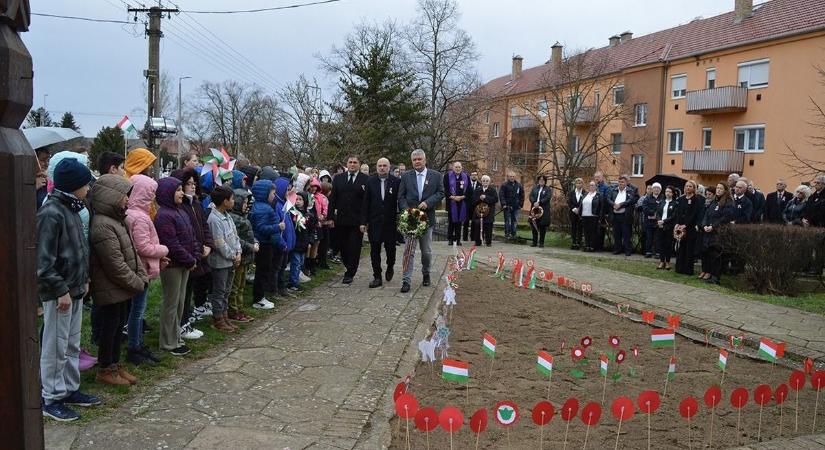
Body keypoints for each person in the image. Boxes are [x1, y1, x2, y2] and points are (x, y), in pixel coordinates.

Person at [38, 158, 100, 421]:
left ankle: (70, 388)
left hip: (75, 288)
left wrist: (84, 280)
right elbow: (43, 262)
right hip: (58, 293)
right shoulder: (51, 213)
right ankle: (50, 397)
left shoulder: (73, 209)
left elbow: (79, 251)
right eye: (85, 184)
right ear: (73, 185)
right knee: (55, 345)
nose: (88, 188)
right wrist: (60, 289)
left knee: (72, 343)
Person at [88, 174, 148, 386]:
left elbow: (131, 253)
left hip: (122, 288)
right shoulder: (102, 225)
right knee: (110, 328)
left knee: (118, 326)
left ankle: (114, 363)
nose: (127, 200)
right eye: (124, 196)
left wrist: (141, 274)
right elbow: (115, 265)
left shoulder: (116, 220)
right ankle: (105, 367)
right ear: (111, 196)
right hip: (110, 288)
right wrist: (137, 282)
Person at [125, 173, 168, 366]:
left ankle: (137, 344)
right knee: (137, 311)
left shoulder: (131, 213)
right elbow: (143, 247)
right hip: (140, 269)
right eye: (151, 193)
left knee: (136, 310)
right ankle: (135, 346)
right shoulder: (139, 217)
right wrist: (163, 250)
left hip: (138, 267)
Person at [154, 177, 198, 356]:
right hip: (173, 265)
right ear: (167, 193)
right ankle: (167, 342)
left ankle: (176, 336)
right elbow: (171, 244)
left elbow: (191, 235)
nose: (182, 193)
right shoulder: (164, 215)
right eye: (178, 190)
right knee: (171, 303)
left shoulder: (180, 211)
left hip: (185, 264)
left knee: (180, 303)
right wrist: (189, 259)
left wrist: (193, 256)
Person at [171, 169, 212, 339]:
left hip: (199, 252)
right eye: (188, 184)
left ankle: (186, 320)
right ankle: (182, 323)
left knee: (190, 289)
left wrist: (208, 244)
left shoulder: (196, 203)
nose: (192, 187)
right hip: (188, 254)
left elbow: (203, 226)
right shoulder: (180, 207)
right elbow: (186, 233)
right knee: (183, 293)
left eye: (194, 183)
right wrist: (196, 249)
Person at [398, 149, 445, 293]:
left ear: (425, 160)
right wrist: (408, 211)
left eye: (419, 159)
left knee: (426, 251)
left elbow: (441, 193)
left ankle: (426, 273)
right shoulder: (406, 176)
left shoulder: (436, 176)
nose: (417, 162)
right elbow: (401, 197)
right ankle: (406, 280)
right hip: (411, 220)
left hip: (426, 220)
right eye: (414, 160)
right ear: (411, 161)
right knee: (408, 251)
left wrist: (428, 202)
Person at [206, 186, 243, 332]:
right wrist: (233, 256)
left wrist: (238, 251)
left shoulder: (227, 216)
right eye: (232, 199)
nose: (234, 201)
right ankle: (218, 318)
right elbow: (219, 243)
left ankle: (225, 315)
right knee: (219, 291)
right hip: (221, 262)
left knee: (227, 290)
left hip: (231, 260)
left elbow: (235, 236)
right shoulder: (214, 219)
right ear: (224, 201)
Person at [328, 155, 369, 284]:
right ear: (347, 164)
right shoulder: (339, 179)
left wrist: (365, 221)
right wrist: (330, 217)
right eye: (350, 162)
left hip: (357, 221)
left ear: (359, 164)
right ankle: (347, 265)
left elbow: (367, 202)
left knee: (354, 247)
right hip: (341, 219)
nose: (352, 164)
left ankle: (350, 272)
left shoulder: (366, 179)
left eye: (355, 162)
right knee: (343, 246)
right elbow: (332, 199)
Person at [362, 157, 400, 288]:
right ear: (376, 167)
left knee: (390, 249)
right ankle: (377, 276)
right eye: (380, 165)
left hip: (390, 222)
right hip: (375, 222)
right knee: (375, 250)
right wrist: (364, 221)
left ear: (389, 167)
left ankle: (390, 266)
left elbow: (399, 201)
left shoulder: (396, 181)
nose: (382, 168)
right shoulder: (370, 181)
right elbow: (366, 202)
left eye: (385, 165)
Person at [249, 179, 281, 310]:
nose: (274, 196)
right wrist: (278, 227)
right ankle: (258, 298)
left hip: (266, 242)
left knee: (264, 271)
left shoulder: (261, 207)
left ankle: (261, 296)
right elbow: (261, 228)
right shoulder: (263, 209)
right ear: (264, 193)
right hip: (264, 243)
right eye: (272, 193)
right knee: (262, 271)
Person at [228, 188, 257, 322]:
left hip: (246, 257)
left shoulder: (243, 217)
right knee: (235, 287)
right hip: (240, 256)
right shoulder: (234, 219)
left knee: (241, 286)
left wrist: (255, 241)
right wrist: (251, 246)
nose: (246, 205)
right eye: (244, 202)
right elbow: (236, 239)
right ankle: (233, 310)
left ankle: (239, 309)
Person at [700, 183, 736, 284]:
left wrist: (713, 227)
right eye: (718, 188)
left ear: (725, 190)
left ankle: (716, 278)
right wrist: (704, 226)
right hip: (709, 232)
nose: (718, 190)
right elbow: (706, 215)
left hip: (719, 233)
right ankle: (710, 274)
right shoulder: (714, 201)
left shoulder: (728, 202)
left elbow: (725, 218)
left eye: (721, 188)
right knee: (710, 255)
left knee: (717, 256)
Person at [287, 192, 316, 292]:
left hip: (304, 243)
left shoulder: (308, 216)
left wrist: (310, 242)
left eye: (300, 199)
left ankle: (295, 280)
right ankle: (293, 283)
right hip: (295, 242)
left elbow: (311, 231)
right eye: (296, 199)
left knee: (300, 263)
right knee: (295, 262)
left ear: (305, 201)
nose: (298, 201)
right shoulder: (292, 213)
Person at [673, 180, 703, 275]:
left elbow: (694, 214)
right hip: (681, 228)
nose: (688, 188)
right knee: (681, 248)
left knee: (689, 249)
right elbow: (678, 213)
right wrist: (677, 224)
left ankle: (688, 270)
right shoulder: (681, 199)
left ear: (694, 188)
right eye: (686, 186)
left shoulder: (696, 200)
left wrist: (686, 225)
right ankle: (679, 268)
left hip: (690, 228)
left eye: (690, 186)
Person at [608, 175, 638, 256]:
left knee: (626, 234)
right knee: (616, 233)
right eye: (619, 182)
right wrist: (613, 204)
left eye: (623, 182)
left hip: (625, 216)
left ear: (626, 183)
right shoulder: (613, 190)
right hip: (615, 215)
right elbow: (608, 199)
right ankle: (617, 249)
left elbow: (630, 200)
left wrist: (621, 204)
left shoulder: (630, 191)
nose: (621, 183)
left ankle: (627, 250)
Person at [444, 162, 470, 246]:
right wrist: (452, 197)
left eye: (459, 167)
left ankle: (458, 239)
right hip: (451, 202)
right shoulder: (447, 176)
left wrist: (463, 197)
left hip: (462, 202)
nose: (457, 168)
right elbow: (445, 189)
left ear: (461, 168)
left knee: (459, 222)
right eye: (456, 167)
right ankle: (450, 239)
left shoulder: (466, 176)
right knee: (451, 221)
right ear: (453, 168)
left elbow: (470, 190)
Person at [306, 177, 328, 275]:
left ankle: (312, 265)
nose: (314, 189)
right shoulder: (306, 196)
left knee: (316, 243)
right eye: (312, 186)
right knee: (309, 246)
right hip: (309, 223)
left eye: (315, 187)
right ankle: (307, 266)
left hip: (318, 222)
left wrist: (323, 216)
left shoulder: (321, 197)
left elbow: (325, 208)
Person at [471, 175, 498, 247]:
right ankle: (478, 241)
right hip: (478, 213)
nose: (485, 182)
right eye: (484, 181)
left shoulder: (493, 190)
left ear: (489, 182)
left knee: (488, 226)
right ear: (481, 182)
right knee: (477, 225)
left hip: (489, 212)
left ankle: (488, 242)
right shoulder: (477, 190)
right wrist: (480, 198)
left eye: (487, 181)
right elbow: (473, 201)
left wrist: (486, 198)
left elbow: (495, 199)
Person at [655, 186, 677, 270]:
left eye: (670, 192)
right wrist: (659, 221)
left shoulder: (675, 203)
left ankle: (667, 262)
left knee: (668, 245)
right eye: (666, 191)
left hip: (669, 227)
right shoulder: (661, 202)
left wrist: (664, 221)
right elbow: (657, 213)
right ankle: (661, 261)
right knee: (661, 244)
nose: (668, 193)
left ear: (673, 193)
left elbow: (673, 216)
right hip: (660, 226)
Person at [578, 180, 603, 252]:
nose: (591, 187)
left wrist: (600, 217)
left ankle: (592, 246)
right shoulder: (585, 194)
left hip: (593, 216)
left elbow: (601, 207)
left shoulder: (598, 195)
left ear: (596, 187)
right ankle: (587, 246)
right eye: (590, 185)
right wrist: (580, 213)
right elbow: (581, 204)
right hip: (584, 215)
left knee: (592, 232)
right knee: (586, 232)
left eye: (592, 185)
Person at [528, 174, 552, 248]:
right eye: (540, 179)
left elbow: (548, 197)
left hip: (543, 209)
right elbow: (530, 196)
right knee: (534, 225)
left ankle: (541, 243)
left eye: (543, 180)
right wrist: (534, 202)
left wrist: (540, 202)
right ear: (538, 180)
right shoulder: (535, 188)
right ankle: (534, 242)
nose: (541, 181)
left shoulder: (548, 189)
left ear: (545, 181)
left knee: (542, 226)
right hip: (534, 209)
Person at [499, 172, 524, 240]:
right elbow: (501, 195)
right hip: (507, 206)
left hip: (516, 206)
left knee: (515, 220)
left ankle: (514, 233)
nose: (512, 177)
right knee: (507, 221)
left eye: (513, 176)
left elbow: (522, 195)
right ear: (508, 177)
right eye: (510, 176)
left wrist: (520, 205)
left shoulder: (519, 185)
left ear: (515, 177)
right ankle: (507, 234)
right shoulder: (504, 185)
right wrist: (503, 204)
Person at [642, 183, 662, 258]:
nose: (656, 189)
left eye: (658, 188)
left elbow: (662, 208)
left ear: (660, 190)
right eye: (655, 188)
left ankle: (657, 253)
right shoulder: (647, 198)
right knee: (649, 237)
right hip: (649, 221)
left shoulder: (662, 198)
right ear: (652, 189)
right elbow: (644, 207)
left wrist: (656, 215)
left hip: (658, 222)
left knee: (657, 238)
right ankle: (648, 252)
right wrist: (652, 213)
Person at [593, 171, 610, 251]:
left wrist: (606, 213)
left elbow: (606, 200)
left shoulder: (606, 187)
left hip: (602, 212)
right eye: (595, 177)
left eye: (598, 177)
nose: (596, 179)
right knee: (594, 230)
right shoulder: (593, 186)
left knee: (601, 230)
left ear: (602, 177)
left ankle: (600, 247)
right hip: (593, 212)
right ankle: (593, 245)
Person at [567, 178, 584, 250]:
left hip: (581, 213)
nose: (578, 184)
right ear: (575, 184)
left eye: (580, 183)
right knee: (573, 227)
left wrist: (579, 210)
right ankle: (574, 242)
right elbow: (569, 202)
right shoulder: (571, 192)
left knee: (580, 228)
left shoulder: (585, 193)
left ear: (582, 184)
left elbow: (585, 203)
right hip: (573, 212)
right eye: (577, 183)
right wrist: (574, 209)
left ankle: (579, 243)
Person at [463, 171, 480, 242]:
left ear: (477, 176)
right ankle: (465, 238)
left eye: (475, 175)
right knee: (465, 222)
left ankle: (473, 237)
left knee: (474, 222)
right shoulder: (466, 185)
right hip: (467, 206)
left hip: (476, 207)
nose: (474, 176)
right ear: (470, 176)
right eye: (472, 175)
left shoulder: (480, 185)